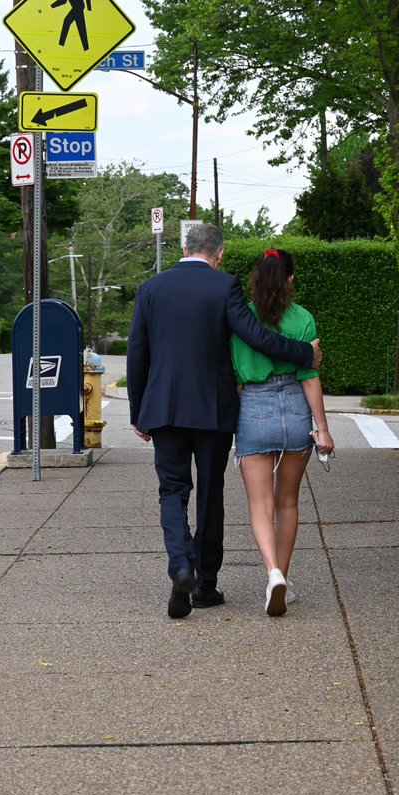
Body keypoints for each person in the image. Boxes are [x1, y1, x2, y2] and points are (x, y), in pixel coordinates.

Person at [126, 224, 323, 619]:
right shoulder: (224, 287)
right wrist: (305, 353)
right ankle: (205, 584)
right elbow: (255, 336)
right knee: (210, 493)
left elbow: (137, 354)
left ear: (183, 247)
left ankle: (180, 564)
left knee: (172, 491)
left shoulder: (151, 288)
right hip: (213, 411)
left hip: (163, 409)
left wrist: (138, 412)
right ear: (218, 254)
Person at [231, 248, 334, 616]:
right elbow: (310, 376)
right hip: (294, 408)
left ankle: (272, 572)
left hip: (254, 408)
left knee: (260, 504)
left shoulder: (241, 317)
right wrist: (322, 429)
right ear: (290, 279)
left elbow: (236, 380)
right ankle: (283, 581)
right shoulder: (303, 319)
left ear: (256, 278)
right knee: (288, 501)